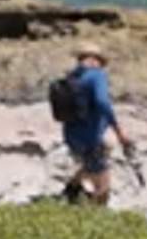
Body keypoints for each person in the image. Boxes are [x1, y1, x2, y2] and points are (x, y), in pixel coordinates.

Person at [52, 47, 135, 205]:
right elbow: (102, 103)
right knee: (103, 183)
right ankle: (96, 217)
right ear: (96, 60)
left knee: (96, 158)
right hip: (91, 137)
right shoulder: (96, 75)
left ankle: (72, 189)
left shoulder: (72, 76)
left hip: (71, 135)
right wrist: (119, 131)